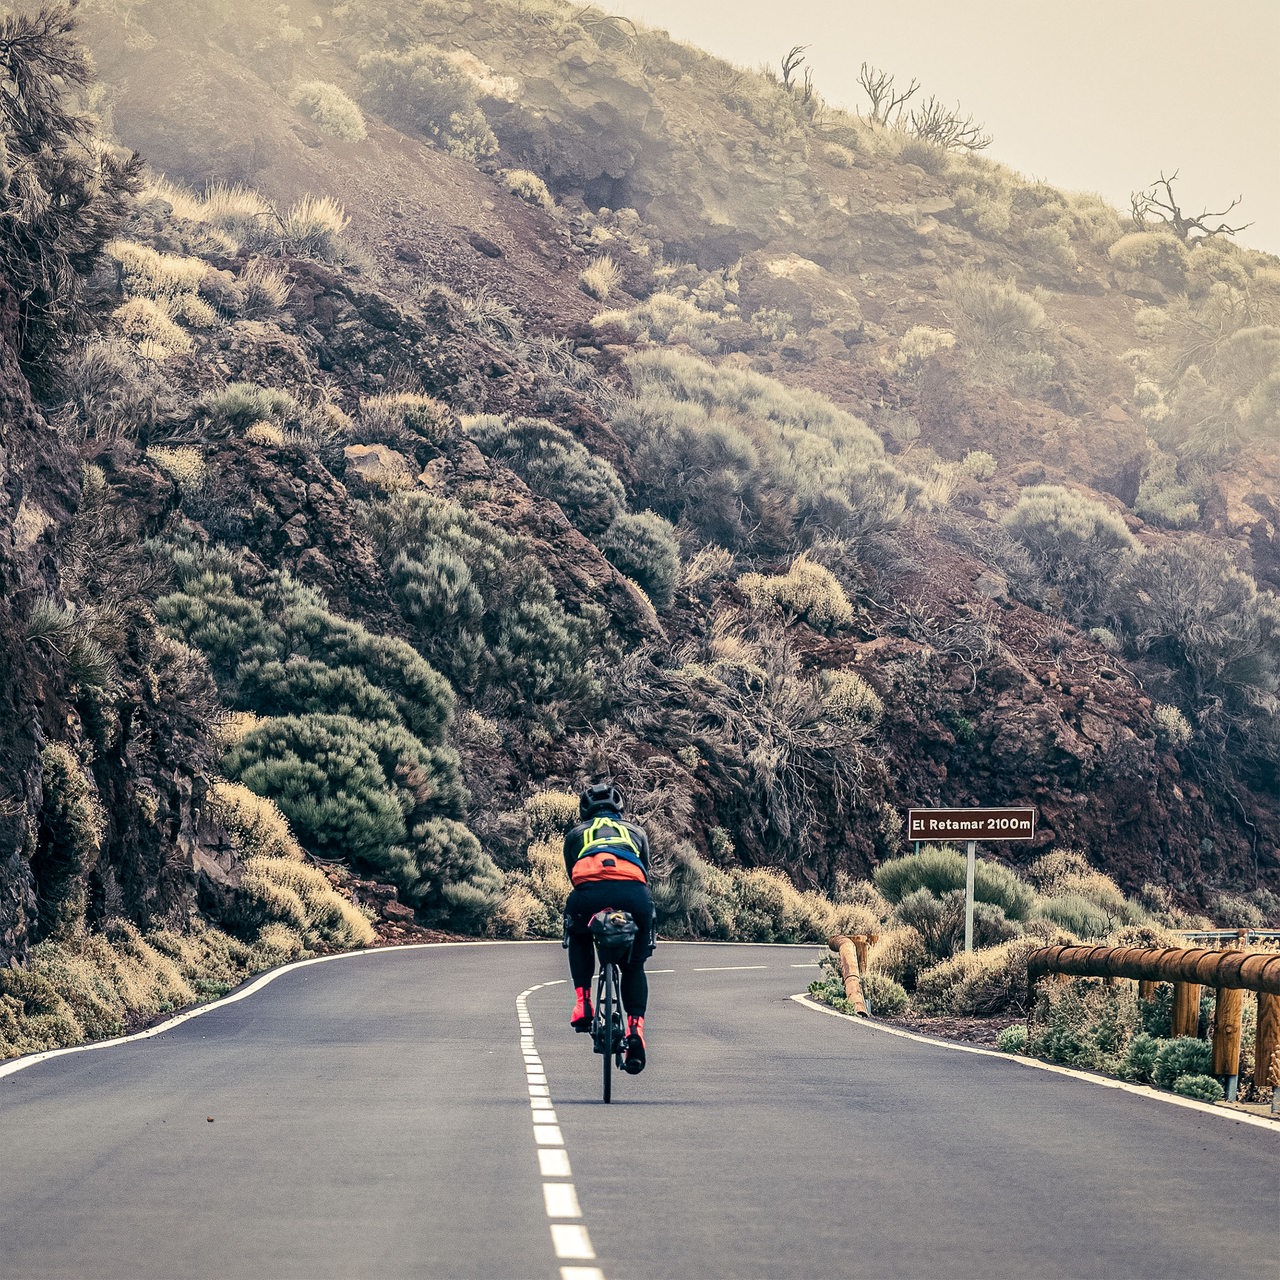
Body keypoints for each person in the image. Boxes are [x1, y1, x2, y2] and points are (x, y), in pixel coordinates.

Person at [562, 780, 655, 1074]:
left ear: (584, 812)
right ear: (619, 809)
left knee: (578, 934)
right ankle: (635, 1029)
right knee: (635, 965)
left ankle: (584, 1003)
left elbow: (571, 874)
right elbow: (645, 869)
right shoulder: (636, 832)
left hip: (589, 894)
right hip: (634, 895)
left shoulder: (576, 834)